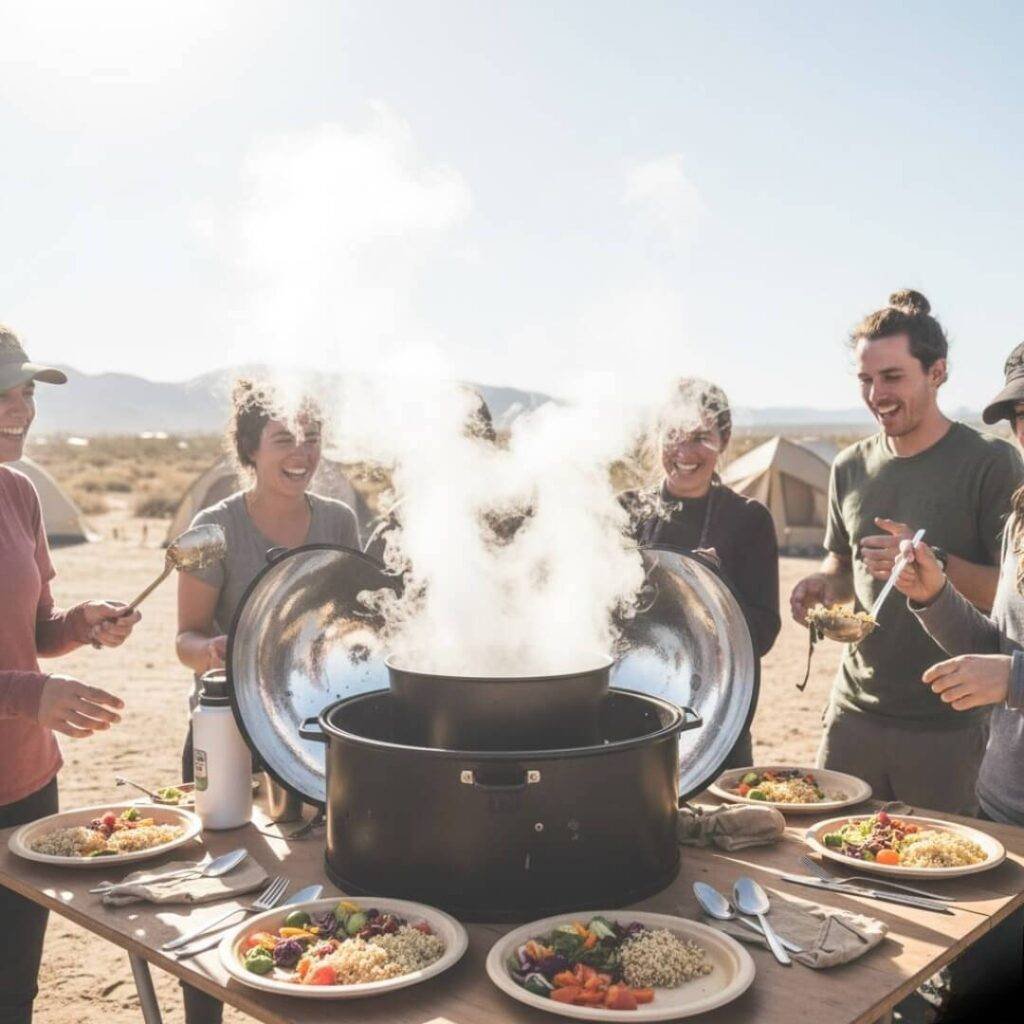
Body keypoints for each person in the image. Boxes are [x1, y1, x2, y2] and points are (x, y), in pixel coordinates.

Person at [790, 290, 1023, 814]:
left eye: (892, 377)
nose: (877, 395)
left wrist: (930, 562)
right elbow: (842, 565)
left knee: (943, 882)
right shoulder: (848, 465)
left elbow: (1004, 594)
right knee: (836, 868)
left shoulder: (992, 464)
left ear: (937, 372)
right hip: (853, 712)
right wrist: (824, 588)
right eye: (865, 380)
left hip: (948, 723)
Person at [0, 326, 139, 1024]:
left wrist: (82, 624)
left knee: (12, 992)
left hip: (26, 783)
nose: (20, 408)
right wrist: (32, 694)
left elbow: (32, 636)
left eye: (25, 392)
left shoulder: (19, 495)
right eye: (3, 392)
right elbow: (24, 681)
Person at [889, 341, 1024, 1016]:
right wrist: (935, 595)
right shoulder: (1021, 521)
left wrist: (1013, 678)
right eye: (1019, 413)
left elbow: (1010, 669)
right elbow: (999, 648)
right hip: (1004, 812)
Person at [621, 378, 780, 767]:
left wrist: (714, 593)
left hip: (717, 720)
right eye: (672, 434)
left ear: (723, 440)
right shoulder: (624, 512)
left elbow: (763, 633)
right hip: (629, 713)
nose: (684, 451)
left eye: (700, 437)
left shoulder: (747, 520)